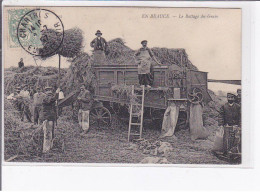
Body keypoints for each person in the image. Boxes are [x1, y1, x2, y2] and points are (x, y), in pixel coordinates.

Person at [39, 85, 60, 153]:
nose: (49, 92)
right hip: (47, 119)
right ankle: (46, 150)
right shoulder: (46, 98)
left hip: (51, 118)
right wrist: (57, 93)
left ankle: (50, 147)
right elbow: (52, 100)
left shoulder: (50, 99)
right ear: (45, 92)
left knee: (51, 134)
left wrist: (56, 116)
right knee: (47, 134)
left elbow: (54, 107)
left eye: (50, 91)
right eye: (48, 91)